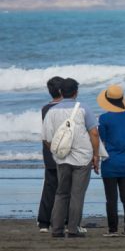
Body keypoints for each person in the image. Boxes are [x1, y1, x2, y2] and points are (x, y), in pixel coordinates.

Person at [42, 78, 100, 238]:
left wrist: (56, 152)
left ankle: (57, 229)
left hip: (62, 159)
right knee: (77, 194)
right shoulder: (83, 108)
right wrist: (96, 155)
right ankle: (73, 229)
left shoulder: (51, 111)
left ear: (61, 92)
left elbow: (46, 138)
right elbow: (94, 133)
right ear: (76, 92)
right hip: (82, 158)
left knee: (61, 193)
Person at [97, 84, 125, 237]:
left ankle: (113, 230)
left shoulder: (104, 118)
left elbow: (101, 141)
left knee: (111, 200)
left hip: (110, 163)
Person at [37, 76, 64, 233]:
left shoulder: (45, 108)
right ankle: (64, 220)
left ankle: (44, 222)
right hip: (65, 152)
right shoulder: (67, 108)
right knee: (65, 188)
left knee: (49, 187)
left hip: (49, 152)